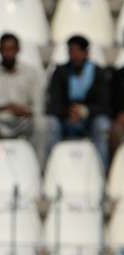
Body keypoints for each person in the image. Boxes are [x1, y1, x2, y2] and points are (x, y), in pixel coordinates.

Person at [0, 33, 47, 162]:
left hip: (23, 120)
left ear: (18, 50)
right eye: (5, 49)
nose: (8, 53)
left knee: (42, 124)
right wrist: (1, 108)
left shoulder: (31, 73)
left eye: (11, 49)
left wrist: (26, 111)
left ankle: (37, 166)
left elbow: (39, 102)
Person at [46, 35, 112, 167]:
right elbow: (54, 103)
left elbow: (105, 105)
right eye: (71, 51)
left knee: (102, 125)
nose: (75, 55)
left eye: (78, 51)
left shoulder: (99, 73)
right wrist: (69, 112)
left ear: (86, 53)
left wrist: (85, 111)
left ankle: (101, 170)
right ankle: (51, 168)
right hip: (66, 119)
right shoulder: (60, 72)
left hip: (90, 119)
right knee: (50, 124)